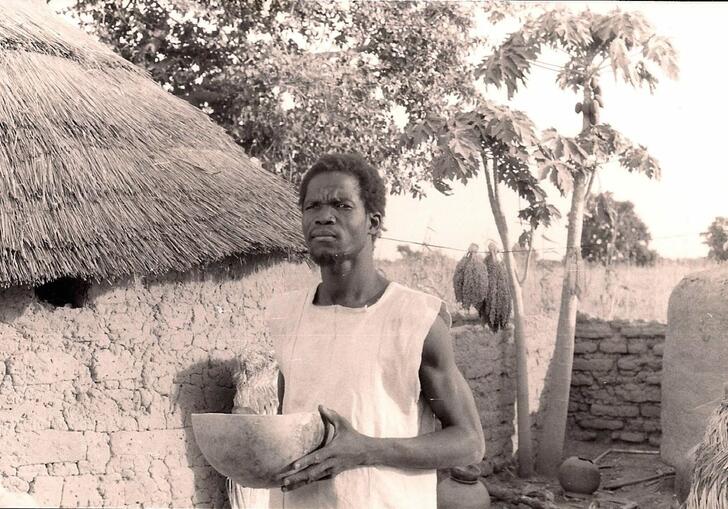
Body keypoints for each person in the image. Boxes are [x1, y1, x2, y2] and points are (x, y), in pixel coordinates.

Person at [265, 153, 485, 509]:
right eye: (312, 206)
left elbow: (470, 441)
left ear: (373, 222)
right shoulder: (287, 316)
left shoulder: (415, 319)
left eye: (341, 204)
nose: (323, 216)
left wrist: (366, 450)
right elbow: (288, 423)